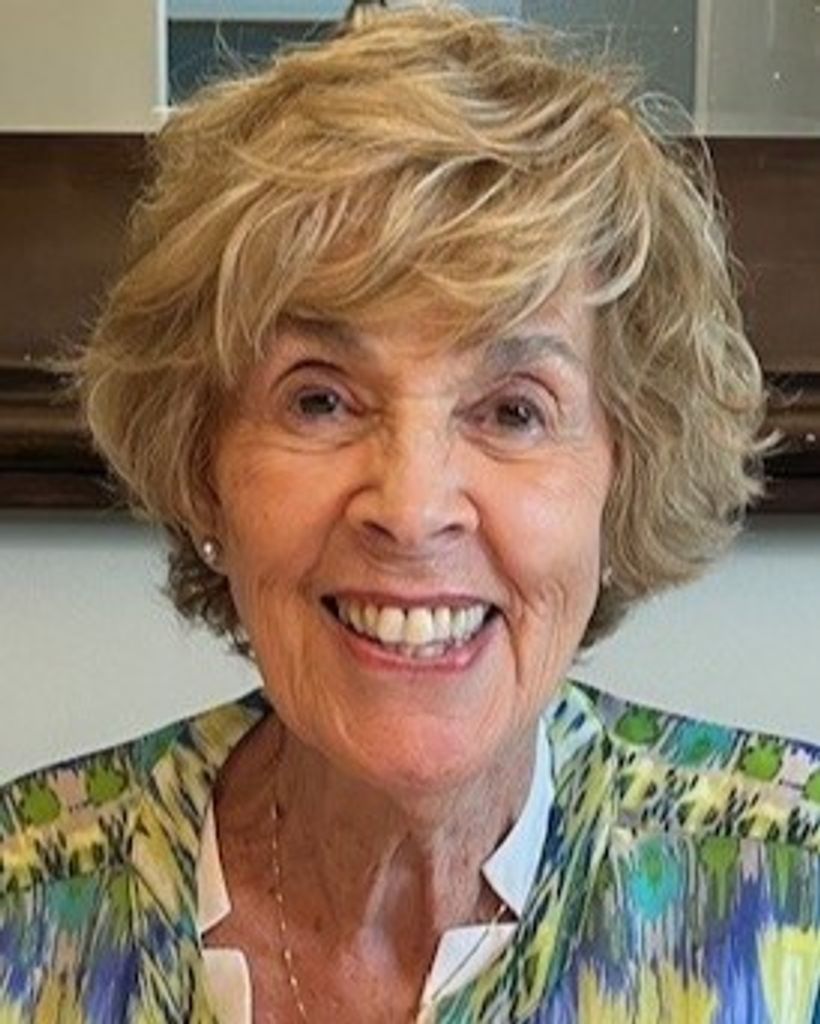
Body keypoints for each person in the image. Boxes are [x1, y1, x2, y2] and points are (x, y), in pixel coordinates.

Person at [1, 2, 818, 1021]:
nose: (412, 507)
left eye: (513, 410)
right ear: (204, 467)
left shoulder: (790, 889)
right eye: (320, 399)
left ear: (624, 475)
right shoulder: (28, 902)